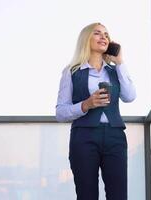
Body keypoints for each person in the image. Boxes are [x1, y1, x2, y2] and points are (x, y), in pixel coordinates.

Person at [55, 22, 136, 200]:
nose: (104, 37)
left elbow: (130, 96)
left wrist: (120, 62)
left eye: (106, 35)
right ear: (86, 39)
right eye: (97, 33)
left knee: (118, 195)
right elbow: (60, 112)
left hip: (115, 137)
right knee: (87, 195)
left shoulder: (115, 71)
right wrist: (86, 104)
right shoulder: (72, 72)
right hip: (84, 137)